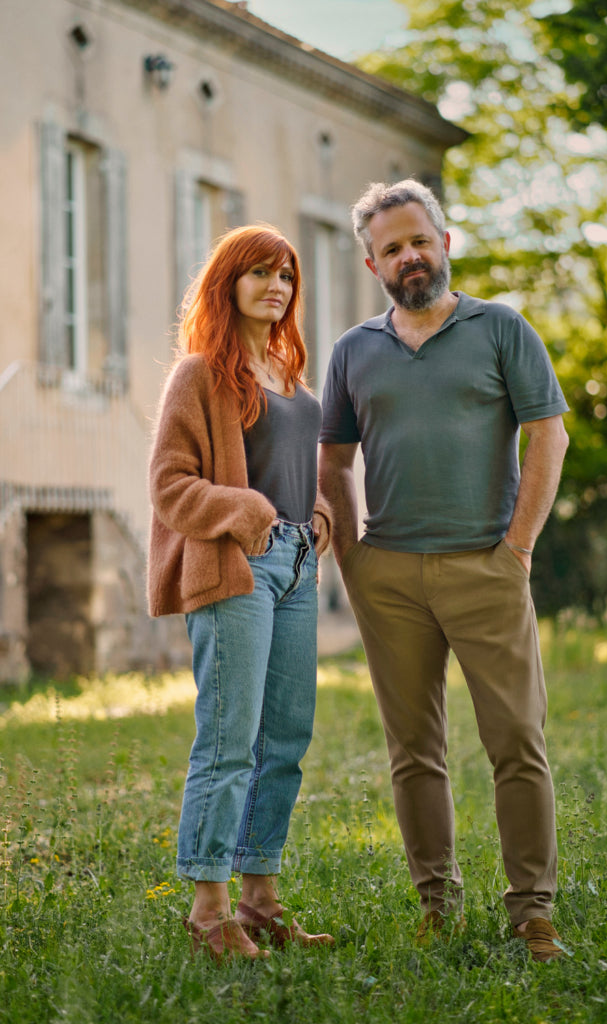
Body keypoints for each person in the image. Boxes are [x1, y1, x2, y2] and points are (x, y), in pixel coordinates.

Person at [318, 180, 570, 963]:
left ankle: (531, 913)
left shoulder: (500, 329)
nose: (409, 256)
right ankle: (437, 904)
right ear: (373, 264)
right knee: (413, 751)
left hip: (486, 566)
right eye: (391, 248)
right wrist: (352, 557)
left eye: (418, 240)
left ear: (445, 242)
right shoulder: (352, 352)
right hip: (388, 577)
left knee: (516, 739)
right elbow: (333, 462)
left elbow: (548, 435)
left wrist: (518, 548)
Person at [148, 224, 335, 961]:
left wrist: (318, 511)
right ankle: (208, 910)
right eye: (258, 272)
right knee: (229, 740)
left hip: (296, 566)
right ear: (227, 284)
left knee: (285, 739)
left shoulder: (290, 375)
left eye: (285, 275)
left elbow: (296, 466)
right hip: (236, 566)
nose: (275, 286)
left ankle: (259, 900)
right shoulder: (200, 374)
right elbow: (170, 484)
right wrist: (245, 509)